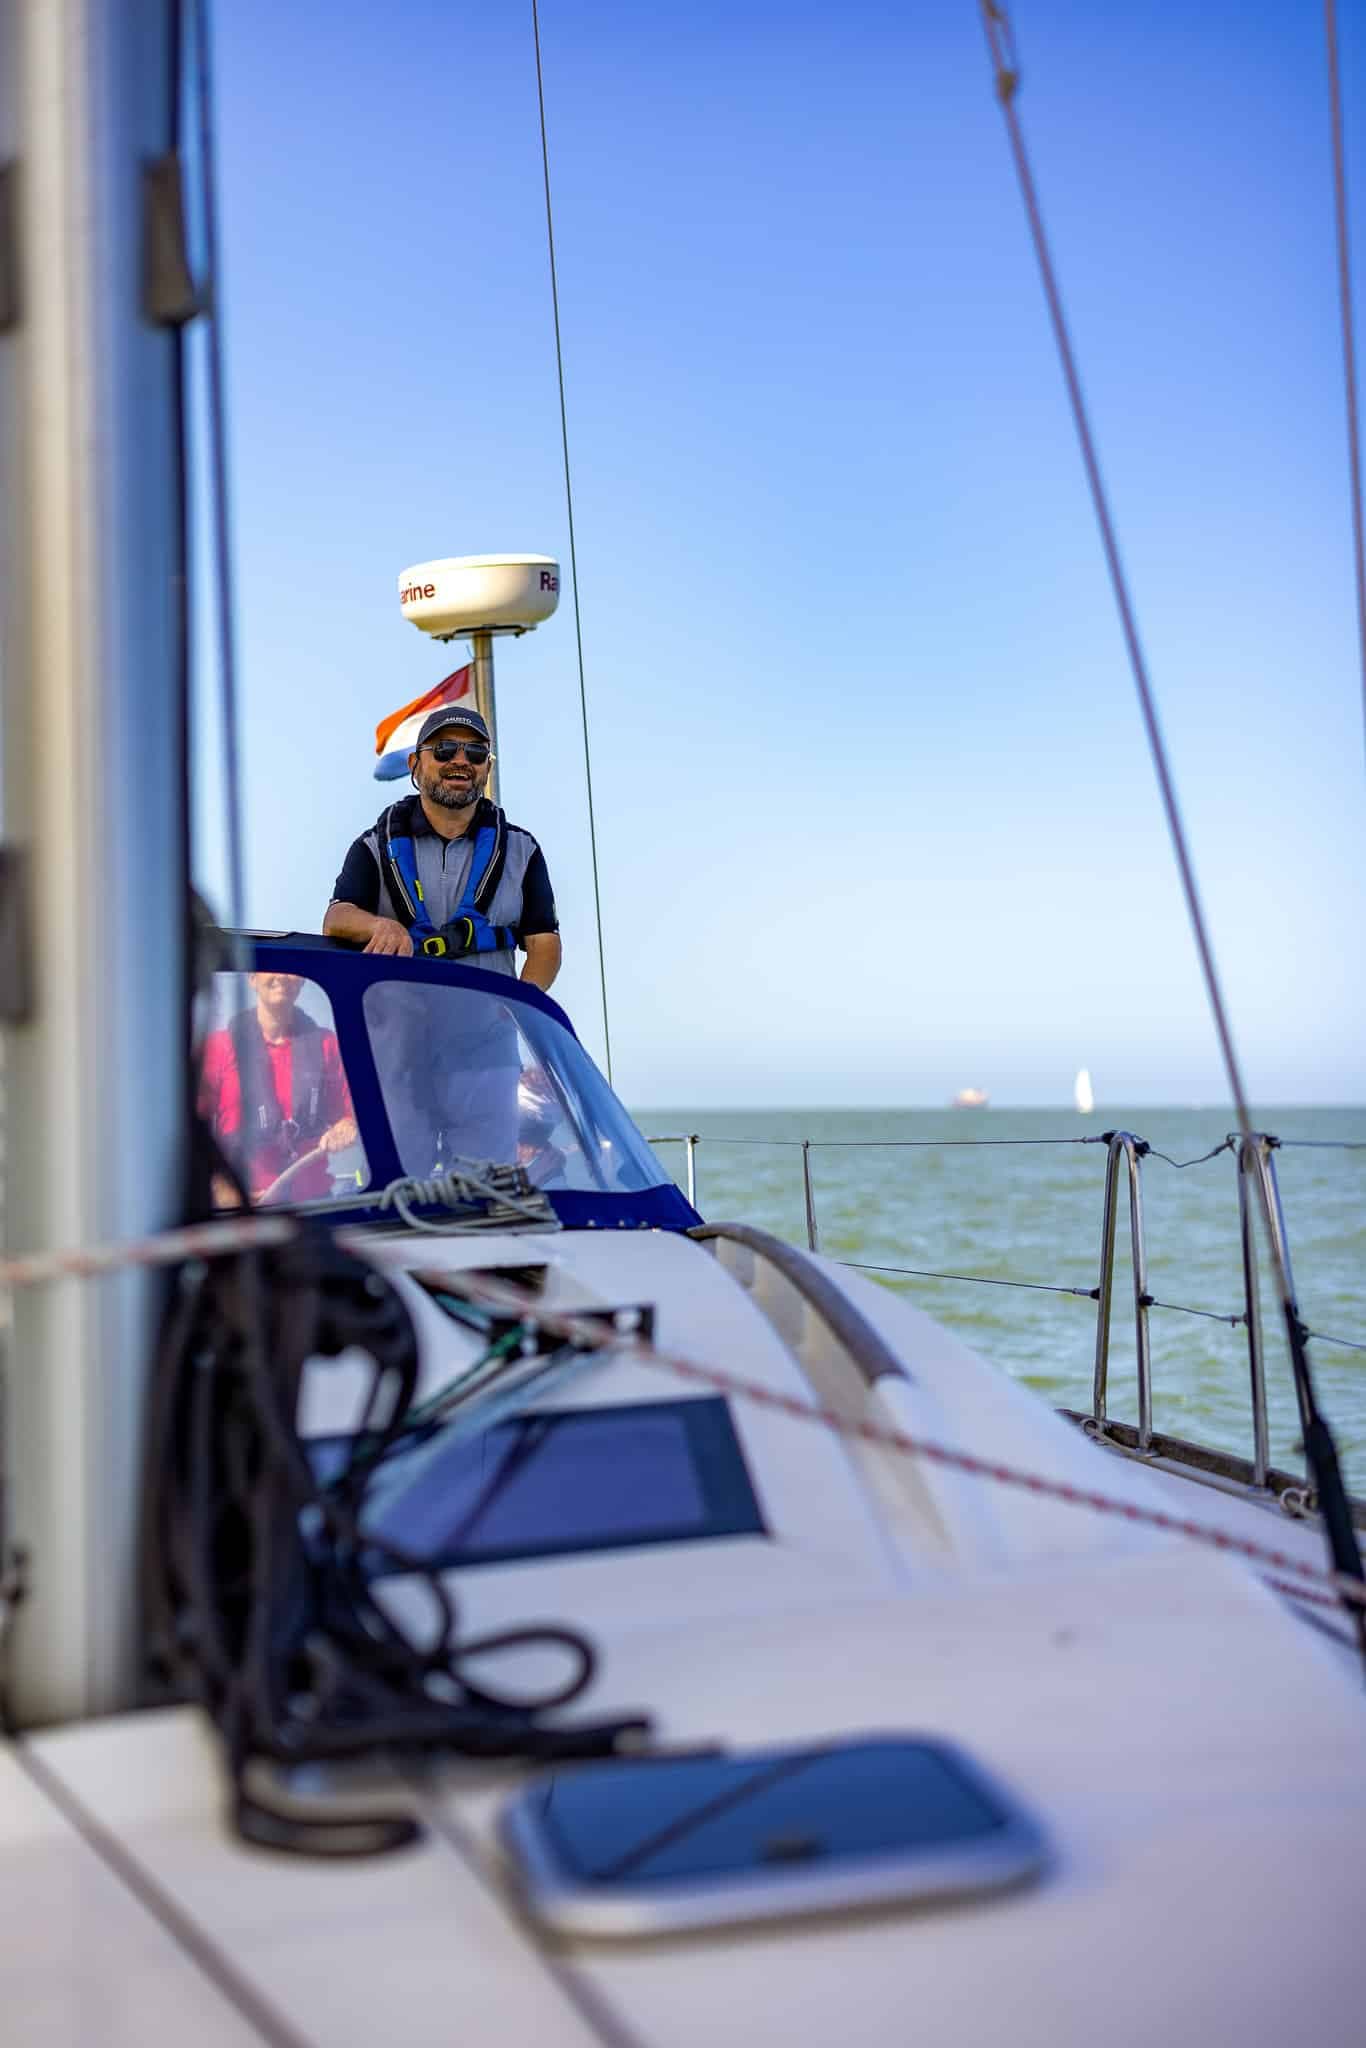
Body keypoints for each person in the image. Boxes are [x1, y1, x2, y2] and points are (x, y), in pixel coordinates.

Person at [322, 706, 561, 989]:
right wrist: (380, 926)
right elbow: (336, 919)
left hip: (487, 1031)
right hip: (398, 1031)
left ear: (488, 767)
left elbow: (544, 942)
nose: (461, 761)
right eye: (444, 749)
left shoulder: (523, 851)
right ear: (415, 763)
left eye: (475, 752)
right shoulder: (373, 848)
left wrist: (521, 1005)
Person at [199, 971, 359, 1205]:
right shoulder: (218, 1047)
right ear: (252, 979)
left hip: (315, 1205)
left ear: (303, 980)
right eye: (271, 970)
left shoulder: (327, 1044)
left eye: (293, 972)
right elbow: (188, 1129)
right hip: (242, 1206)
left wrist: (347, 1126)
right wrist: (217, 1186)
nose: (282, 977)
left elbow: (350, 1112)